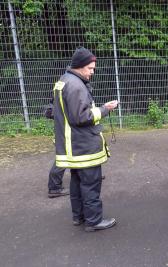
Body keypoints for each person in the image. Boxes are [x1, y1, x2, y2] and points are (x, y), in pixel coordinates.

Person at [53, 47, 118, 232]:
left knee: (77, 183)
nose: (92, 72)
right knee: (91, 184)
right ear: (80, 66)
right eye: (90, 68)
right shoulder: (76, 86)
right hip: (83, 146)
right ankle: (94, 221)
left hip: (72, 146)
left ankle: (79, 217)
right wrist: (105, 109)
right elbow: (81, 117)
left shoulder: (65, 81)